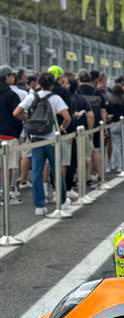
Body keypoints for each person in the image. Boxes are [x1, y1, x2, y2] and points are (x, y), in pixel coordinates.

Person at [13, 72, 71, 216]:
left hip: (36, 138)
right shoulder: (55, 98)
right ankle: (62, 202)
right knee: (56, 170)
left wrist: (28, 119)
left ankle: (39, 205)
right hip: (52, 139)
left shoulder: (32, 96)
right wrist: (62, 128)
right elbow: (66, 117)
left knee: (38, 172)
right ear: (52, 84)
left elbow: (16, 112)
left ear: (39, 82)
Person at [78, 70, 107, 181]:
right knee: (95, 150)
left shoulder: (77, 91)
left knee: (81, 152)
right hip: (96, 125)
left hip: (81, 125)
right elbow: (103, 111)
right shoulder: (97, 92)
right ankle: (99, 174)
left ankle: (84, 176)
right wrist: (103, 127)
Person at [0, 65, 23, 204]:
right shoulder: (11, 95)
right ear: (6, 77)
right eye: (11, 75)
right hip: (9, 134)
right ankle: (9, 193)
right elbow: (18, 114)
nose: (13, 77)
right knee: (11, 165)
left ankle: (1, 192)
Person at [106, 84, 124, 172]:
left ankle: (118, 165)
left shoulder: (110, 100)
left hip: (114, 124)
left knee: (116, 145)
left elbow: (108, 113)